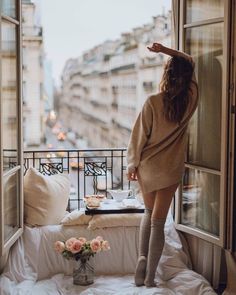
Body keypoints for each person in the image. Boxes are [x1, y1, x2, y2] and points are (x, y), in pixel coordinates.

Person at [126, 43, 198, 287]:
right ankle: (150, 277)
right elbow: (189, 60)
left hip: (148, 168)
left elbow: (138, 136)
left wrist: (132, 165)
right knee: (159, 220)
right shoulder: (190, 100)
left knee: (147, 215)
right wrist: (166, 50)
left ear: (166, 75)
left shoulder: (152, 102)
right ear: (187, 78)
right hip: (170, 170)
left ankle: (142, 258)